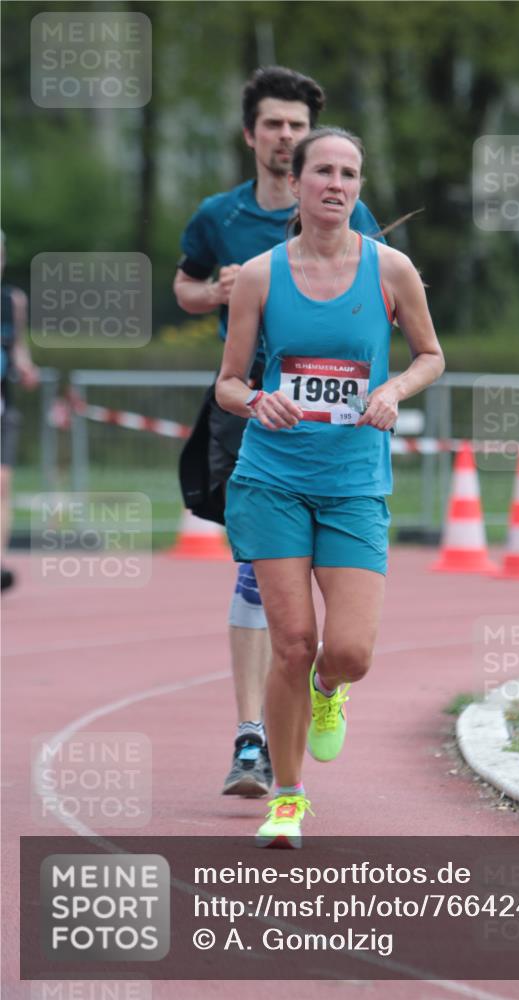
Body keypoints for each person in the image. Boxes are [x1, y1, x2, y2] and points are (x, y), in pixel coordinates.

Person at [216, 127, 445, 847]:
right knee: (291, 640)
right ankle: (288, 796)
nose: (335, 184)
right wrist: (257, 399)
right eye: (323, 171)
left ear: (358, 185)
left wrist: (396, 390)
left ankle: (328, 692)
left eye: (348, 172)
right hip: (272, 478)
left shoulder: (391, 270)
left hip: (352, 481)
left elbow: (431, 356)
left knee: (347, 651)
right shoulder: (258, 274)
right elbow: (226, 382)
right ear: (297, 181)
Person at [173, 68, 383, 799]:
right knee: (255, 577)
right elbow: (185, 288)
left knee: (310, 615)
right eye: (275, 125)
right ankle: (250, 736)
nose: (287, 136)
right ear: (253, 136)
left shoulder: (348, 211)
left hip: (337, 441)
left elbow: (376, 307)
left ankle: (296, 706)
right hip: (252, 413)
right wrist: (218, 293)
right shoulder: (220, 216)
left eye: (298, 125)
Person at [1, 231, 39, 593]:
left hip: (2, 402)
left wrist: (25, 367)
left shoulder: (11, 300)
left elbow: (18, 347)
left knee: (2, 483)